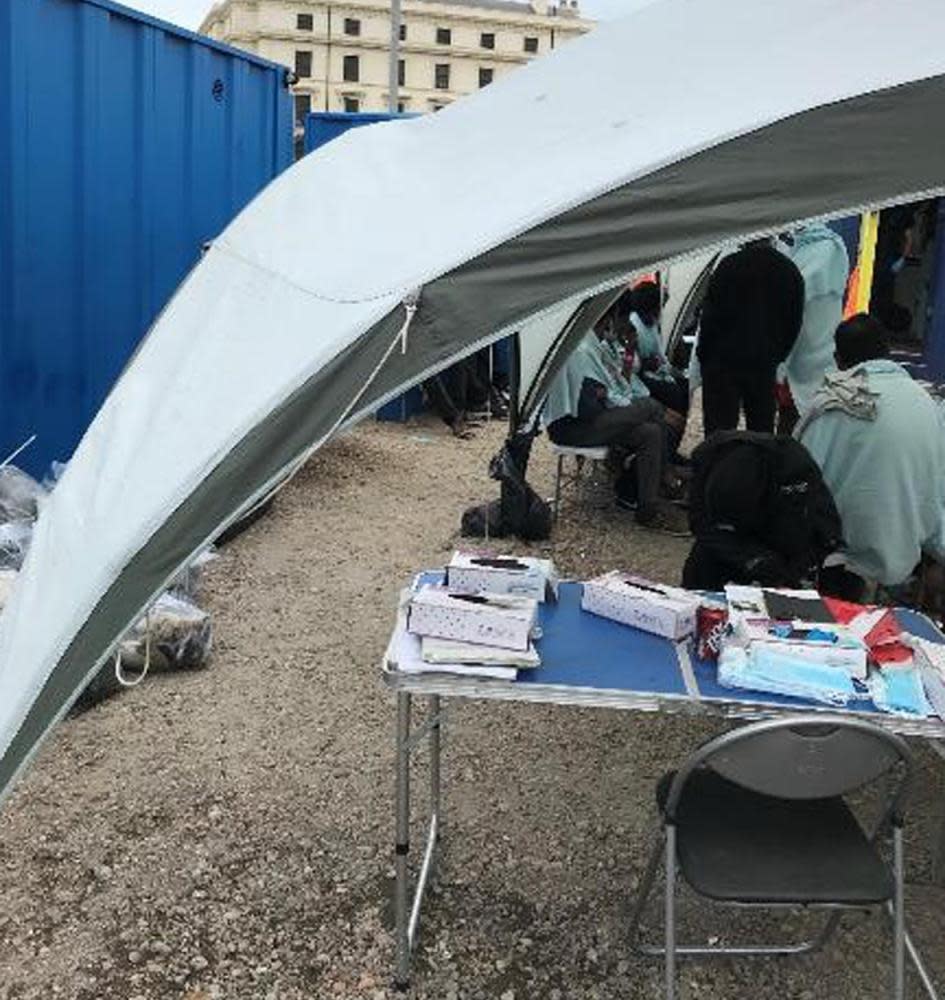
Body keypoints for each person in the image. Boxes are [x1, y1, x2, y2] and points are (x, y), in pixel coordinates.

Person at [797, 313, 945, 599]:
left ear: (838, 359)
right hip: (906, 564)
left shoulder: (831, 405)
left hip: (837, 568)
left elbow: (798, 483)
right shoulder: (926, 403)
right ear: (887, 352)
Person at [543, 317, 685, 534]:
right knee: (650, 407)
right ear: (603, 324)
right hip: (573, 427)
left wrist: (607, 396)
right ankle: (666, 473)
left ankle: (647, 509)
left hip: (589, 420)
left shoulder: (590, 346)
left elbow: (609, 390)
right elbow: (587, 407)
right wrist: (606, 397)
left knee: (651, 433)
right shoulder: (582, 351)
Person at [697, 238, 804, 435]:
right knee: (761, 428)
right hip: (763, 362)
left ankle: (719, 464)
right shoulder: (788, 270)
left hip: (722, 361)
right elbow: (794, 321)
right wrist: (777, 355)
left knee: (719, 430)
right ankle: (757, 465)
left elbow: (710, 316)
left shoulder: (729, 265)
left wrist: (703, 355)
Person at [776, 224, 850, 433]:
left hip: (813, 332)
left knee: (802, 410)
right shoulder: (809, 246)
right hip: (816, 333)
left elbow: (797, 291)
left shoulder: (824, 247)